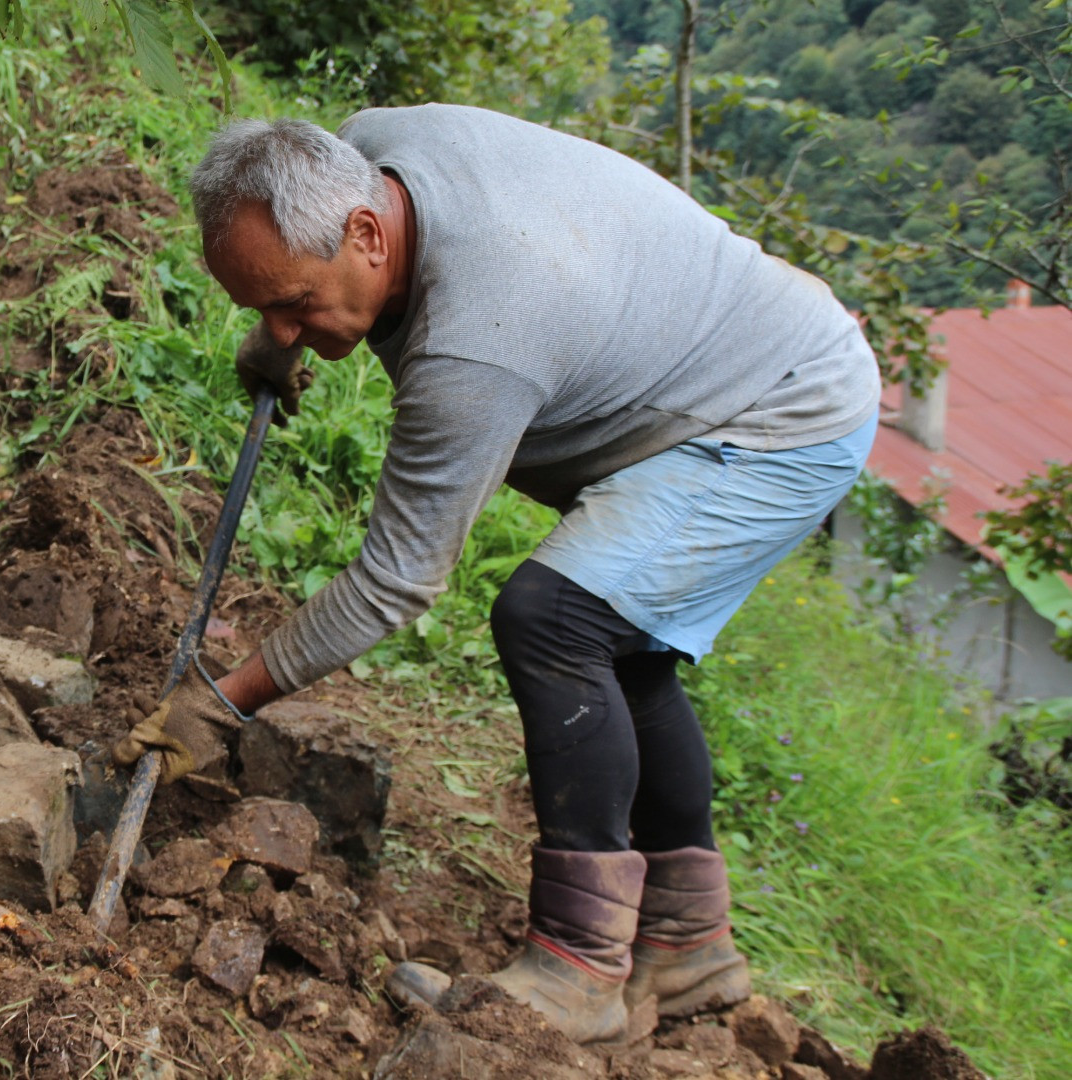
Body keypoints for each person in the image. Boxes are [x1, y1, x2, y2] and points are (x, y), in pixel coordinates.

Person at [111, 105, 880, 1047]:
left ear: (365, 235)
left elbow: (394, 584)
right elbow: (290, 265)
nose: (283, 324)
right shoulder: (366, 152)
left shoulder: (474, 342)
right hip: (735, 354)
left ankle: (579, 971)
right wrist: (278, 342)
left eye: (297, 304)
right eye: (261, 306)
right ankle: (685, 945)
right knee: (620, 648)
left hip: (779, 412)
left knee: (557, 620)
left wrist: (221, 702)